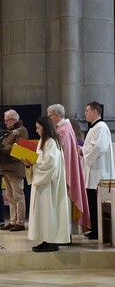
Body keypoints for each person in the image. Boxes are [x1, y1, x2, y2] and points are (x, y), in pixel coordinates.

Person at [23, 116, 70, 252]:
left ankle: (52, 241)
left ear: (45, 127)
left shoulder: (51, 142)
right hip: (43, 183)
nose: (36, 130)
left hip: (49, 185)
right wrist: (29, 164)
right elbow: (41, 160)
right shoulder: (44, 141)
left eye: (38, 127)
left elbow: (50, 165)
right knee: (43, 213)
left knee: (49, 211)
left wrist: (33, 163)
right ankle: (45, 239)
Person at [47, 104, 90, 236]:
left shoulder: (63, 130)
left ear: (58, 115)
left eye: (50, 116)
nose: (48, 119)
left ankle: (65, 233)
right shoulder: (65, 127)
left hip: (65, 173)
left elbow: (62, 153)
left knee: (64, 203)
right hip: (67, 170)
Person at [80, 101, 115, 240]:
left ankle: (98, 231)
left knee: (96, 203)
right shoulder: (95, 128)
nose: (85, 113)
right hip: (93, 172)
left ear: (95, 112)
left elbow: (99, 147)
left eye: (87, 110)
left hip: (99, 172)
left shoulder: (101, 127)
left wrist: (83, 151)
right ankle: (94, 229)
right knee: (92, 203)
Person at [0, 109, 29, 232]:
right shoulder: (9, 131)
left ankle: (20, 222)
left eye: (7, 120)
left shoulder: (21, 131)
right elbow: (5, 146)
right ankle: (12, 221)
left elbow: (18, 148)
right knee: (9, 196)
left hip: (15, 167)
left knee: (18, 195)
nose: (5, 122)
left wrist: (1, 147)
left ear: (14, 120)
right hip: (5, 167)